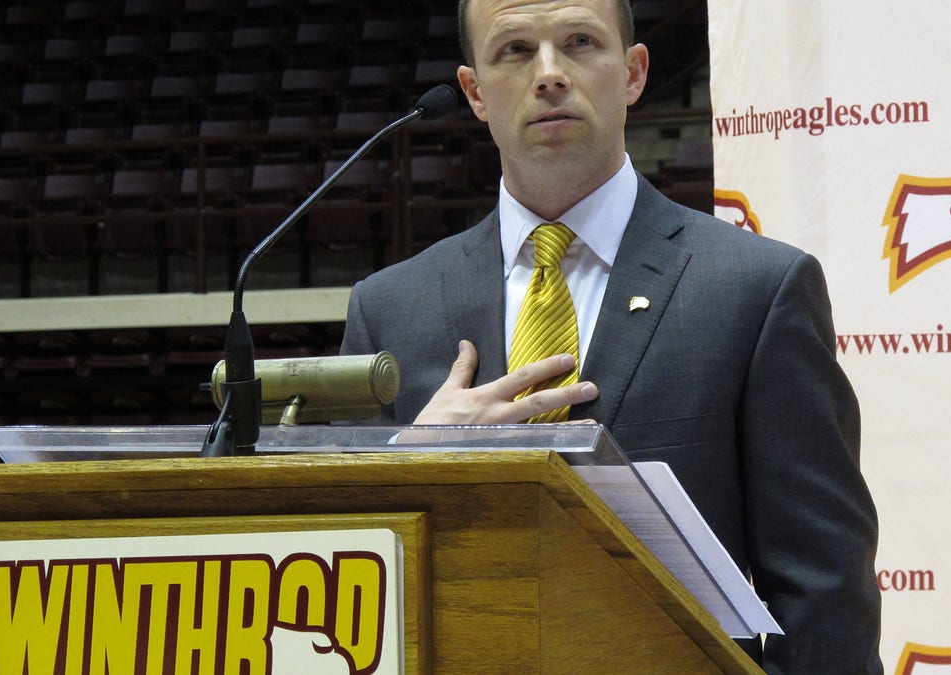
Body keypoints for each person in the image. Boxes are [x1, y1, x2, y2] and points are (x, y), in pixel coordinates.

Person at [340, 0, 884, 672]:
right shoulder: (389, 308)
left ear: (632, 73)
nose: (549, 74)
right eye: (514, 50)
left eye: (579, 42)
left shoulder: (756, 289)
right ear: (475, 92)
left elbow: (825, 588)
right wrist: (406, 459)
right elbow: (351, 573)